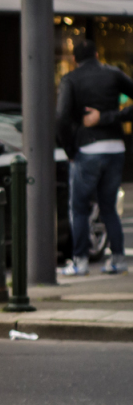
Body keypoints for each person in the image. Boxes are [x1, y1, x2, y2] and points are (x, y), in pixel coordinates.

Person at [58, 38, 129, 275]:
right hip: (116, 147)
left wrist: (69, 150)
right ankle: (118, 259)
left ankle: (80, 261)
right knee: (108, 207)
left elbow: (61, 118)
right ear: (98, 55)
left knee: (79, 208)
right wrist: (111, 117)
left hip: (87, 149)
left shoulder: (71, 79)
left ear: (75, 60)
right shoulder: (114, 74)